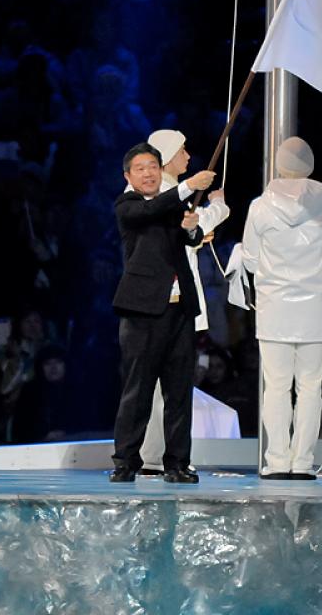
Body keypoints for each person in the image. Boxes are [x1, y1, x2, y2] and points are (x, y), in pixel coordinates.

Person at [110, 142, 215, 484]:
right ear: (128, 176)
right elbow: (148, 213)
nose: (149, 173)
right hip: (143, 312)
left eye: (153, 166)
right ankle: (125, 461)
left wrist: (191, 228)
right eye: (140, 168)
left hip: (179, 309)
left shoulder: (170, 203)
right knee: (137, 390)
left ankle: (178, 463)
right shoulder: (127, 205)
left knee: (179, 391)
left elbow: (190, 238)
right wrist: (188, 186)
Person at [241, 137, 322, 480]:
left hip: (274, 307)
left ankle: (277, 461)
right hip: (314, 307)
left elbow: (252, 260)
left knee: (277, 386)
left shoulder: (259, 207)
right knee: (311, 388)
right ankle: (303, 462)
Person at [137, 129, 230, 474]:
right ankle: (152, 457)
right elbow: (183, 226)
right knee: (163, 384)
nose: (189, 156)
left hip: (176, 300)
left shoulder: (168, 195)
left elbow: (186, 233)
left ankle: (158, 457)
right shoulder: (156, 194)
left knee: (169, 385)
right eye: (183, 150)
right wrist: (217, 207)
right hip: (164, 302)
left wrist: (197, 232)